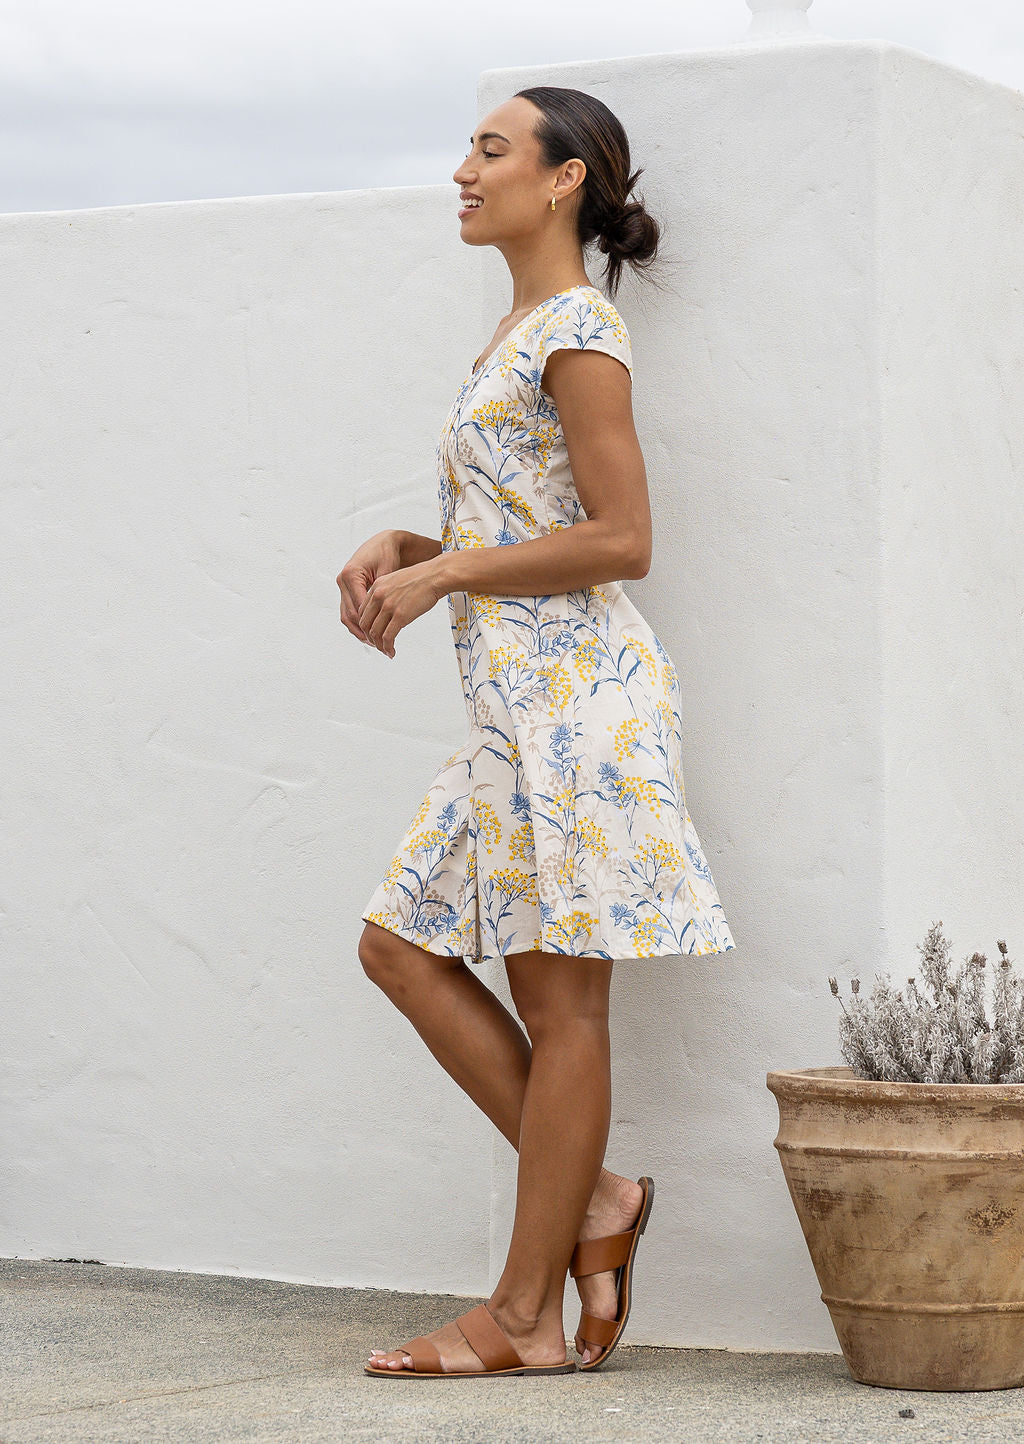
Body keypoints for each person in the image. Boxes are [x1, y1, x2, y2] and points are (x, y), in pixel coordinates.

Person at [338, 86, 737, 1379]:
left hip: (580, 712)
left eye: (491, 151)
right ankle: (603, 1204)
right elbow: (534, 525)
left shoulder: (579, 329)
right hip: (517, 714)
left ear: (563, 180)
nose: (464, 170)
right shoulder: (514, 328)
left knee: (563, 1012)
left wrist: (450, 576)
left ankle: (525, 1319)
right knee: (400, 949)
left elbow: (625, 540)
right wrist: (418, 545)